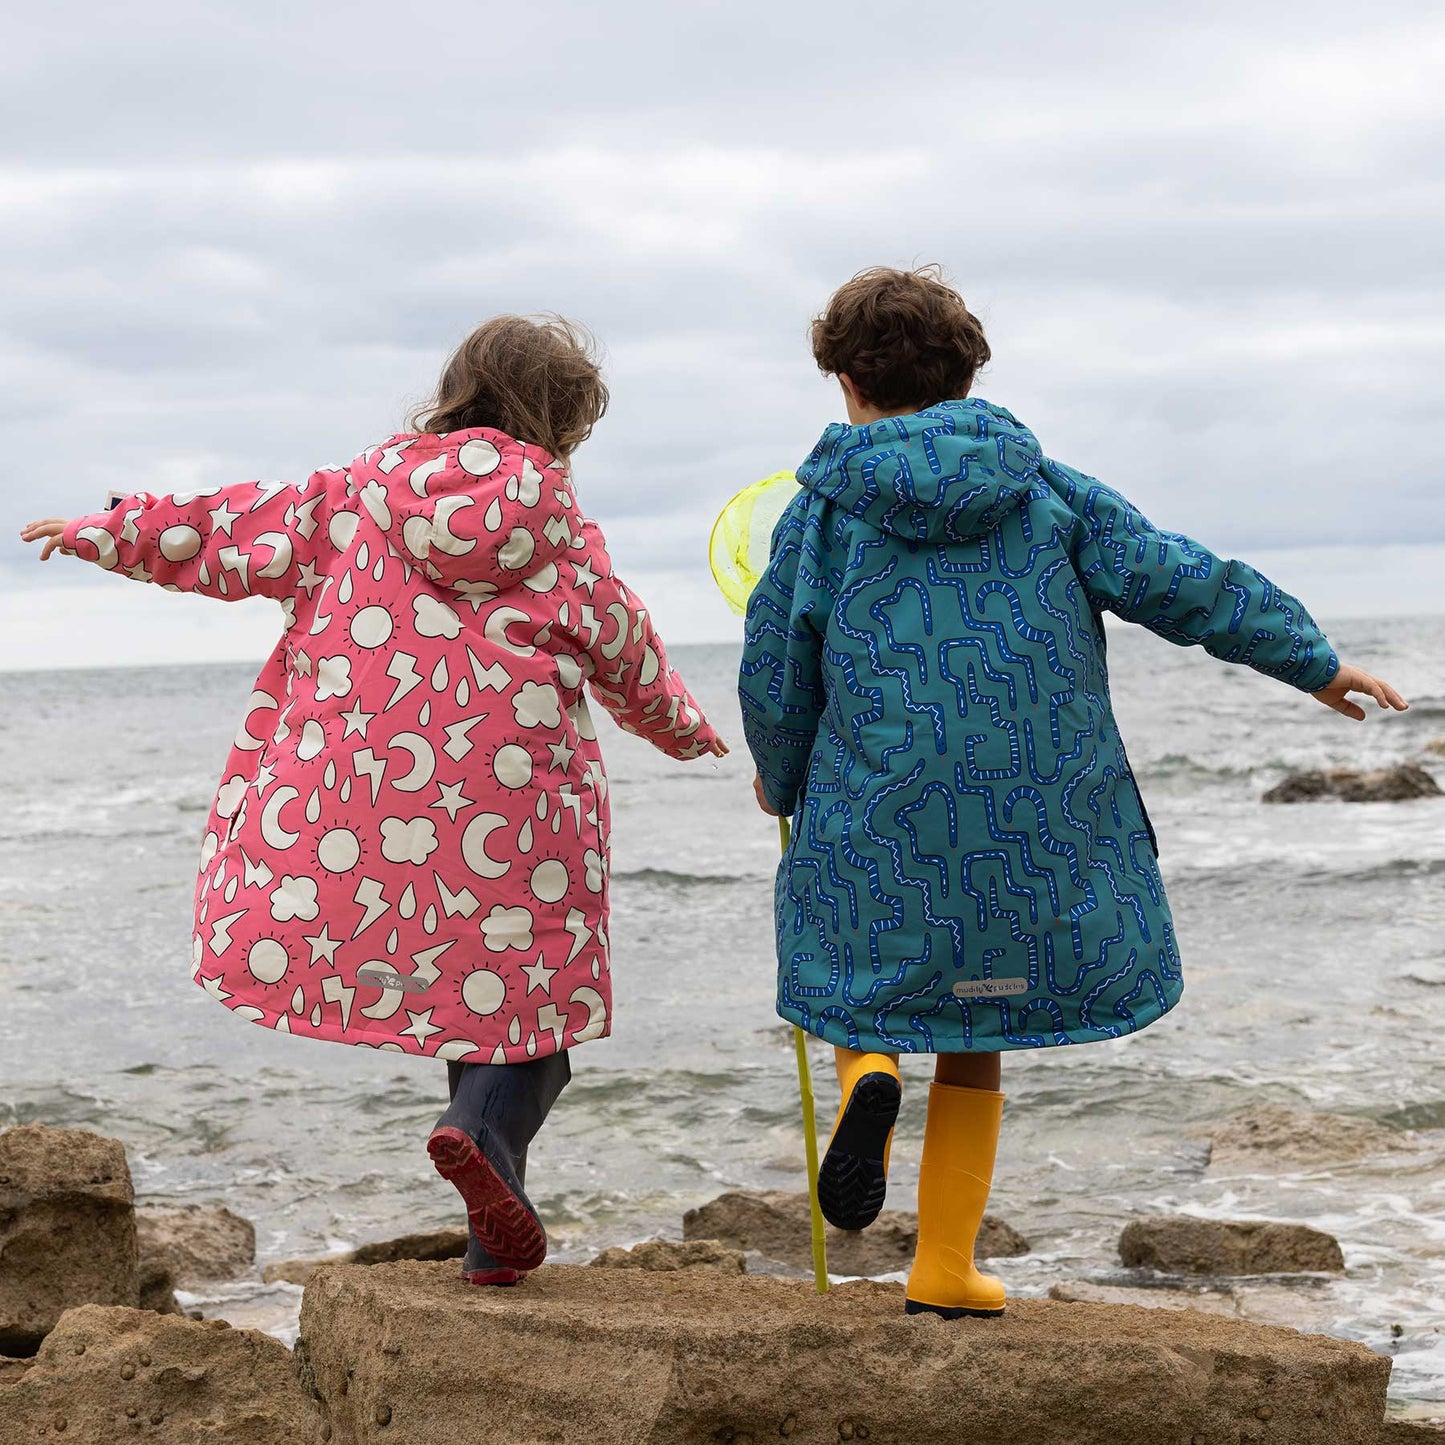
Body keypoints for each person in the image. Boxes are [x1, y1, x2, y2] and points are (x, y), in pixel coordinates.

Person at [737, 266, 1407, 1319]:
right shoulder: (1046, 489)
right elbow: (1176, 578)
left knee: (850, 976)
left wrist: (781, 781)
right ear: (967, 373)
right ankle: (943, 1265)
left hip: (879, 802)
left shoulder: (819, 518)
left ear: (844, 385)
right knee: (976, 1035)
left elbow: (777, 665)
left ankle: (869, 1067)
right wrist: (1311, 660)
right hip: (1028, 820)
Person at [22, 314, 726, 1286]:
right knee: (532, 1012)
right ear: (560, 425)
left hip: (376, 811)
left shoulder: (351, 497)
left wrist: (109, 529)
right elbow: (628, 651)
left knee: (477, 1010)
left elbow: (228, 530)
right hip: (524, 814)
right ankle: (475, 1138)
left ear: (453, 391)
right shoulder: (560, 529)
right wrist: (688, 731)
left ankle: (491, 1242)